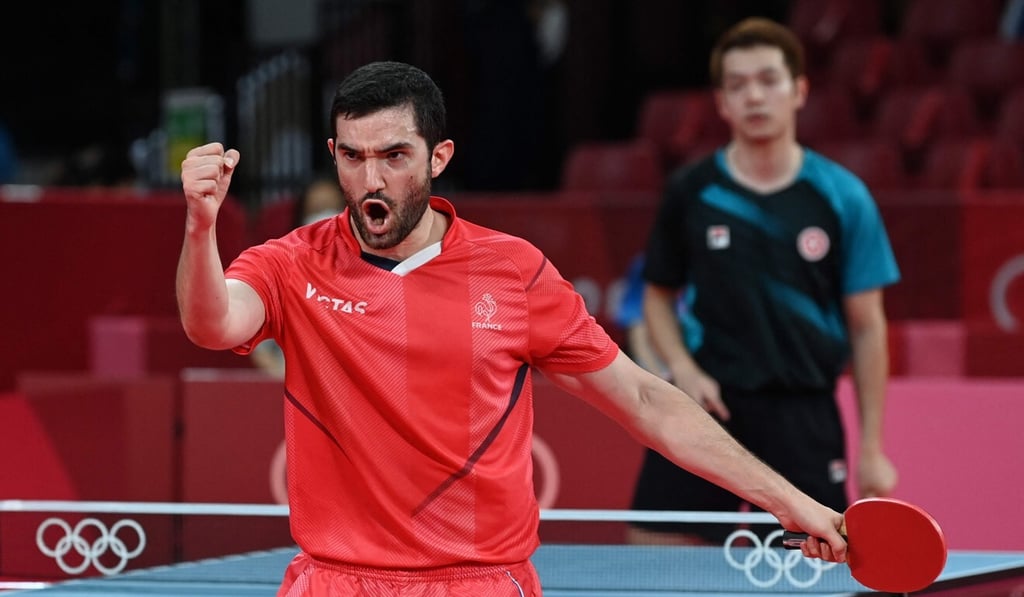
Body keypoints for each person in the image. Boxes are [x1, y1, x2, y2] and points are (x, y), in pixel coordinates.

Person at [176, 60, 846, 596]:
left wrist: (791, 501)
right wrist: (201, 226)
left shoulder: (513, 271)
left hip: (479, 582)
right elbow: (213, 323)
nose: (371, 178)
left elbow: (642, 399)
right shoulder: (295, 262)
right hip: (336, 580)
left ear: (439, 156)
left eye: (394, 155)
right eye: (352, 156)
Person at [630, 17, 901, 546]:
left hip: (803, 411)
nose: (754, 95)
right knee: (654, 549)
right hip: (709, 406)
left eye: (768, 80)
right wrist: (682, 368)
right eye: (738, 85)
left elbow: (869, 329)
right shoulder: (692, 192)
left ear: (799, 90)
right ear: (723, 103)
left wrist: (871, 447)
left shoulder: (843, 198)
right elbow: (656, 297)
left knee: (815, 563)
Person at [250, 176, 345, 379]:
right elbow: (263, 350)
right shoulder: (282, 271)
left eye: (332, 207)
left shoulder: (371, 271)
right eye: (317, 210)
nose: (326, 217)